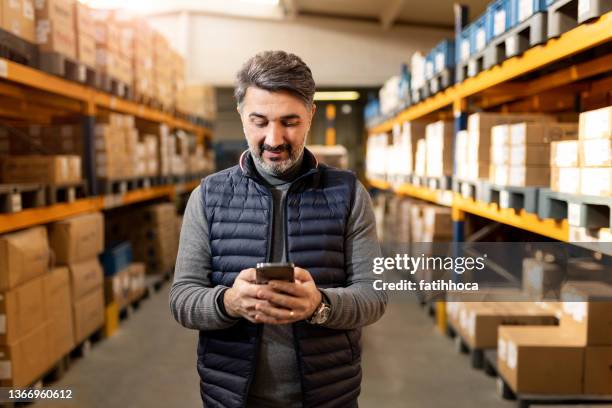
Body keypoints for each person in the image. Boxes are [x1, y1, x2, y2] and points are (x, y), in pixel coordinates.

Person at [170, 50, 387, 408]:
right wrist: (229, 302)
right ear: (241, 115)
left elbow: (374, 296)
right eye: (259, 121)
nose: (274, 138)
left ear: (311, 116)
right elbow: (182, 299)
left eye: (290, 121)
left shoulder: (348, 194)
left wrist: (321, 304)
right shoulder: (208, 196)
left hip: (328, 395)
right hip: (232, 396)